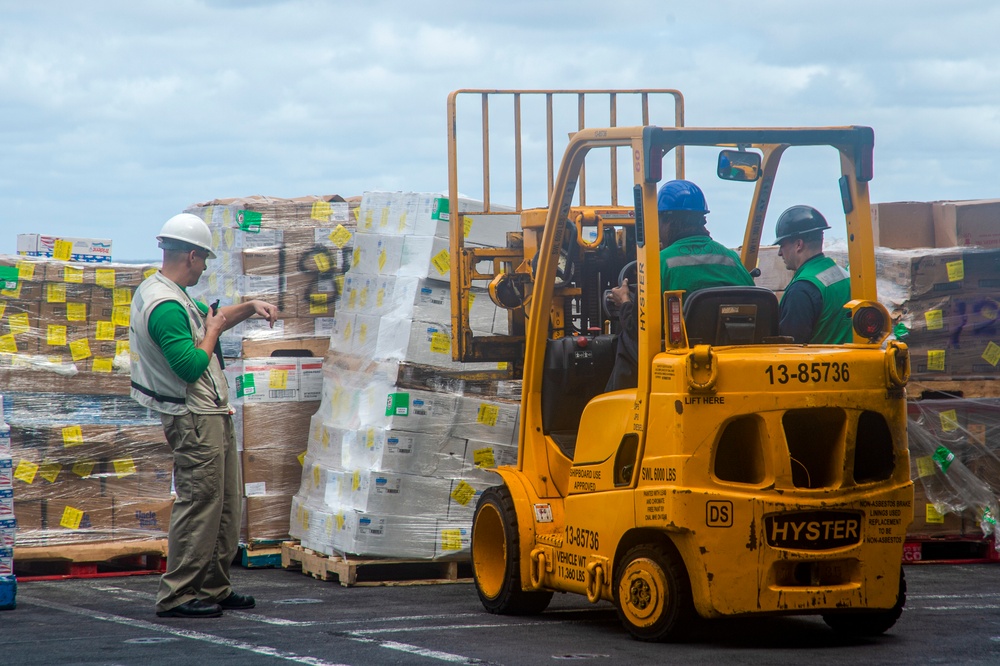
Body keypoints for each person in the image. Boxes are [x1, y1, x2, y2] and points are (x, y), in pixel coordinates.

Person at [130, 213, 279, 619]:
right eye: (205, 260)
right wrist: (212, 334)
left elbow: (212, 317)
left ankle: (214, 584)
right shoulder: (164, 306)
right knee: (200, 503)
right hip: (193, 416)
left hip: (211, 412)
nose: (206, 267)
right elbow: (190, 365)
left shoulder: (172, 293)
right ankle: (178, 594)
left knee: (226, 502)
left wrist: (249, 306)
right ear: (191, 256)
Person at [605, 180, 754, 390]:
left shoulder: (659, 263)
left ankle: (619, 412)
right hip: (734, 358)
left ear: (667, 220)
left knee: (627, 341)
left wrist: (625, 302)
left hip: (682, 362)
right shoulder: (731, 259)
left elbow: (640, 328)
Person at [774, 205, 852, 344]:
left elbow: (789, 349)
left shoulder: (801, 289)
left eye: (782, 245)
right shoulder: (842, 274)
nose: (780, 252)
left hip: (817, 363)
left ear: (799, 244)